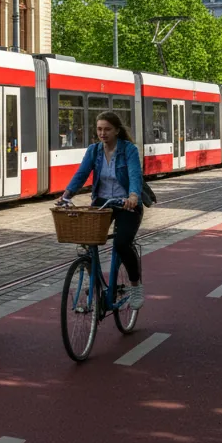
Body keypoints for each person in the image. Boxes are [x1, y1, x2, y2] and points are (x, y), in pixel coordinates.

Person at [57, 110, 147, 308]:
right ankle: (95, 282)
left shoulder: (128, 150)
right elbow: (81, 174)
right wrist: (66, 196)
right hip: (102, 202)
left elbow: (134, 175)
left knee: (122, 243)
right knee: (87, 240)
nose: (102, 133)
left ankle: (135, 287)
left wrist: (133, 196)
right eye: (99, 129)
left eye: (107, 129)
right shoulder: (94, 150)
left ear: (116, 131)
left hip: (126, 205)